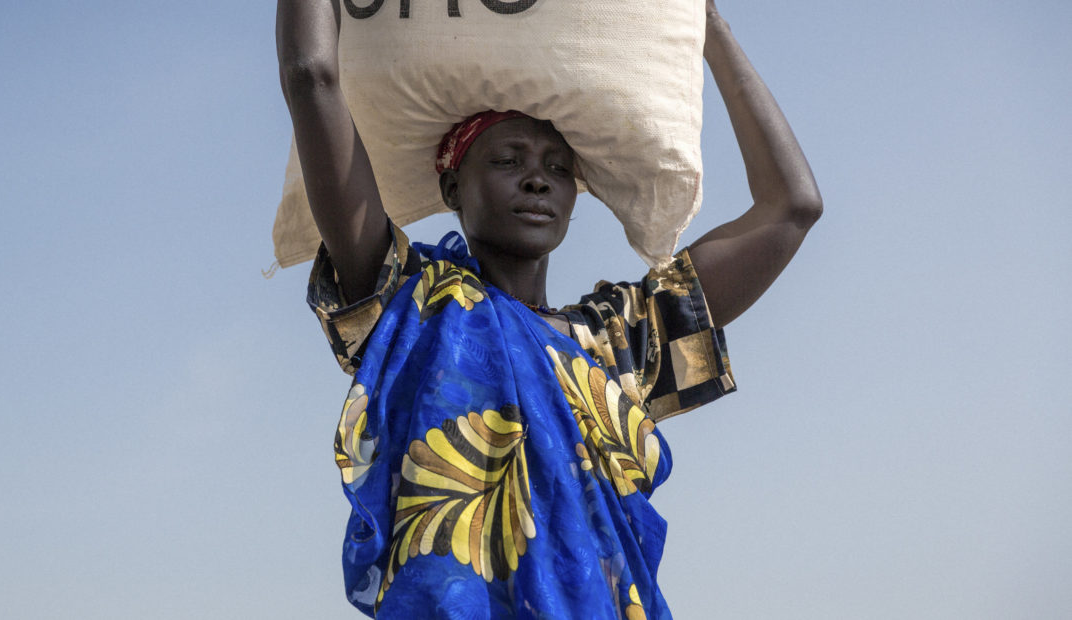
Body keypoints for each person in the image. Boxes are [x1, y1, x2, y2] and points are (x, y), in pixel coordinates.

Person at [277, 0, 822, 617]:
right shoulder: (408, 301)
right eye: (507, 161)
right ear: (453, 186)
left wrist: (708, 26)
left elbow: (792, 207)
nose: (537, 181)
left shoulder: (617, 342)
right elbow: (312, 79)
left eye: (558, 169)